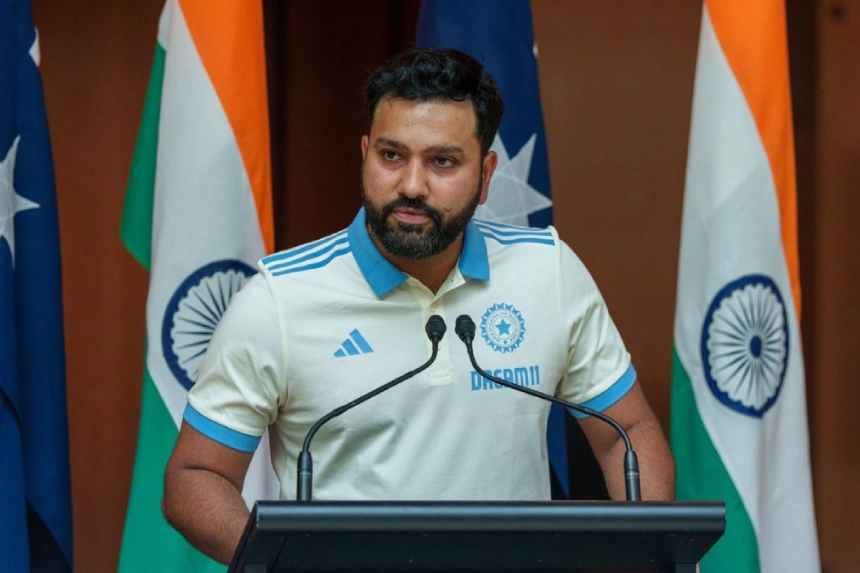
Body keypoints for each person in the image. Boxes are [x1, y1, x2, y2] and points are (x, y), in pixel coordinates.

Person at [162, 47, 675, 564]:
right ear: (365, 153)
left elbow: (627, 433)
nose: (411, 185)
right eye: (391, 155)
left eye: (442, 162)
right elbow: (196, 476)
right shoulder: (280, 299)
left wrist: (651, 553)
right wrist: (280, 565)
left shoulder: (549, 272)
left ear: (487, 173)